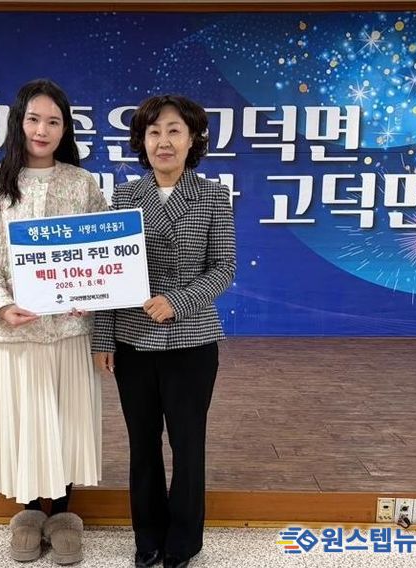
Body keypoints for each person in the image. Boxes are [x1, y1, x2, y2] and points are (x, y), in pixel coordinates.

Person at [0, 79, 107, 565]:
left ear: (66, 129)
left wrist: (92, 293)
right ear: (18, 122)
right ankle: (26, 512)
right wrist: (0, 305)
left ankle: (62, 513)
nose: (42, 130)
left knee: (64, 422)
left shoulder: (82, 184)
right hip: (15, 332)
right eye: (34, 119)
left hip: (68, 332)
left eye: (53, 121)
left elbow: (101, 252)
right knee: (23, 423)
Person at [92, 95, 235, 568]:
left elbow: (224, 268)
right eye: (154, 132)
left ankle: (183, 541)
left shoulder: (213, 196)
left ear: (193, 139)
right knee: (142, 443)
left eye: (174, 130)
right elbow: (108, 274)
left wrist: (178, 300)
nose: (163, 141)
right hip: (133, 341)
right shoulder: (125, 197)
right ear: (142, 141)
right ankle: (147, 535)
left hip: (193, 341)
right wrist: (103, 338)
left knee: (188, 445)